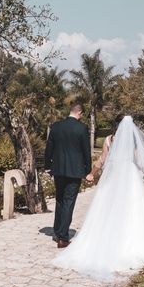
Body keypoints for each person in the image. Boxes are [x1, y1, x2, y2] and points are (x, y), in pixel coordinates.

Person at [53, 115, 144, 280]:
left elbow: (101, 160)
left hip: (113, 178)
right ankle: (130, 244)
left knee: (108, 209)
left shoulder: (108, 139)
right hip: (130, 179)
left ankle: (105, 240)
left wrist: (91, 174)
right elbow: (141, 162)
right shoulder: (133, 141)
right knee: (132, 210)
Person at [44, 102, 92, 248]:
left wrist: (47, 167)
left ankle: (57, 231)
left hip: (58, 169)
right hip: (75, 170)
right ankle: (63, 238)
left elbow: (49, 149)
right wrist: (88, 170)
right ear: (80, 113)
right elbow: (86, 151)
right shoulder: (82, 128)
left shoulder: (56, 126)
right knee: (69, 202)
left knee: (60, 200)